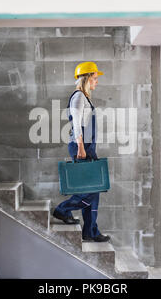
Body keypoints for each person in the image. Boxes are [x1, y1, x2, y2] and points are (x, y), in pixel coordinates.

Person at [52, 61, 110, 243]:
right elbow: (76, 123)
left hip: (88, 146)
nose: (97, 81)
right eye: (95, 78)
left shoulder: (85, 97)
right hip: (81, 145)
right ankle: (62, 210)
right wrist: (81, 146)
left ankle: (90, 232)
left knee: (94, 189)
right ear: (86, 78)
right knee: (90, 190)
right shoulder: (78, 97)